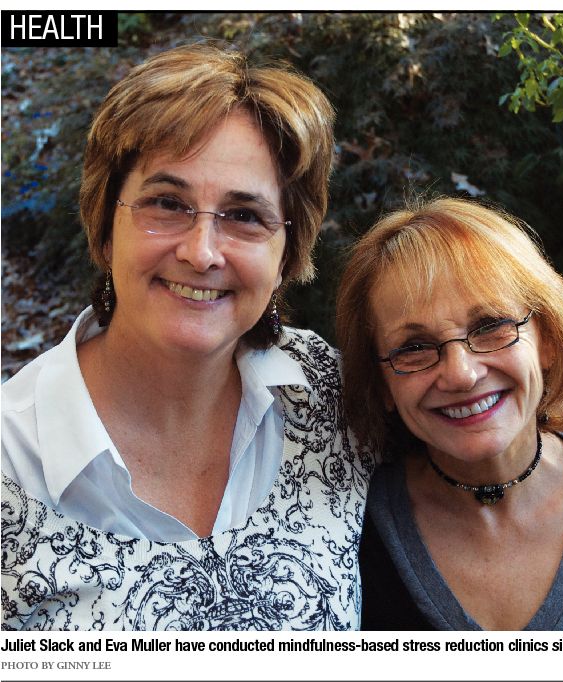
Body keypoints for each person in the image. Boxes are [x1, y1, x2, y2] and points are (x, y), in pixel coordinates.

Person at [1, 44, 374, 631]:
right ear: (105, 227)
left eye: (244, 215)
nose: (201, 254)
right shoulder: (13, 456)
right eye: (167, 204)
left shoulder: (331, 396)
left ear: (286, 253)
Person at [336, 197, 563, 630]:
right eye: (414, 348)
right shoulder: (346, 529)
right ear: (382, 386)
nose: (462, 374)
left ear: (547, 339)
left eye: (490, 326)